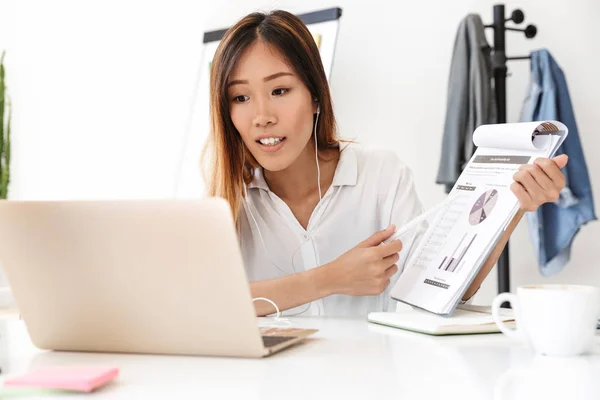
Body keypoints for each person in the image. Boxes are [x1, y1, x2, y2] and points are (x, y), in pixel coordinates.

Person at [201, 10, 568, 317]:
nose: (261, 116)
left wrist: (514, 206)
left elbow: (442, 288)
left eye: (279, 90)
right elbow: (206, 306)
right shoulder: (227, 201)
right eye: (241, 97)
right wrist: (329, 278)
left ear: (315, 96)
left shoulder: (380, 176)